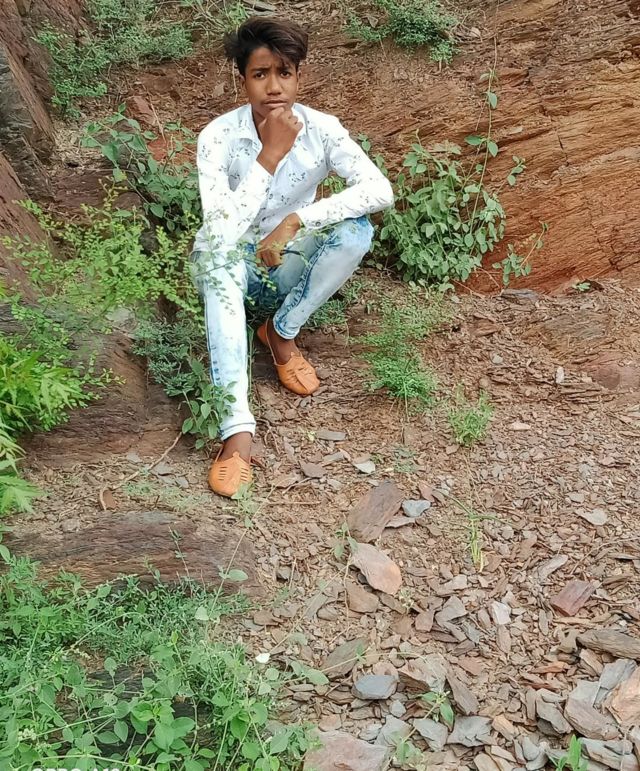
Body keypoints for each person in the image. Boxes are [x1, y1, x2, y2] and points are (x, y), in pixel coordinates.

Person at [191, 16, 394, 497]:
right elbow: (220, 232)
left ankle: (280, 331)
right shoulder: (217, 137)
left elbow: (379, 190)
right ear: (242, 79)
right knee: (217, 259)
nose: (274, 87)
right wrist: (270, 155)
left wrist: (297, 221)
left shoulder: (322, 130)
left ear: (299, 77)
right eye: (260, 74)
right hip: (230, 265)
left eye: (284, 73)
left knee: (355, 231)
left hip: (285, 257)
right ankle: (237, 430)